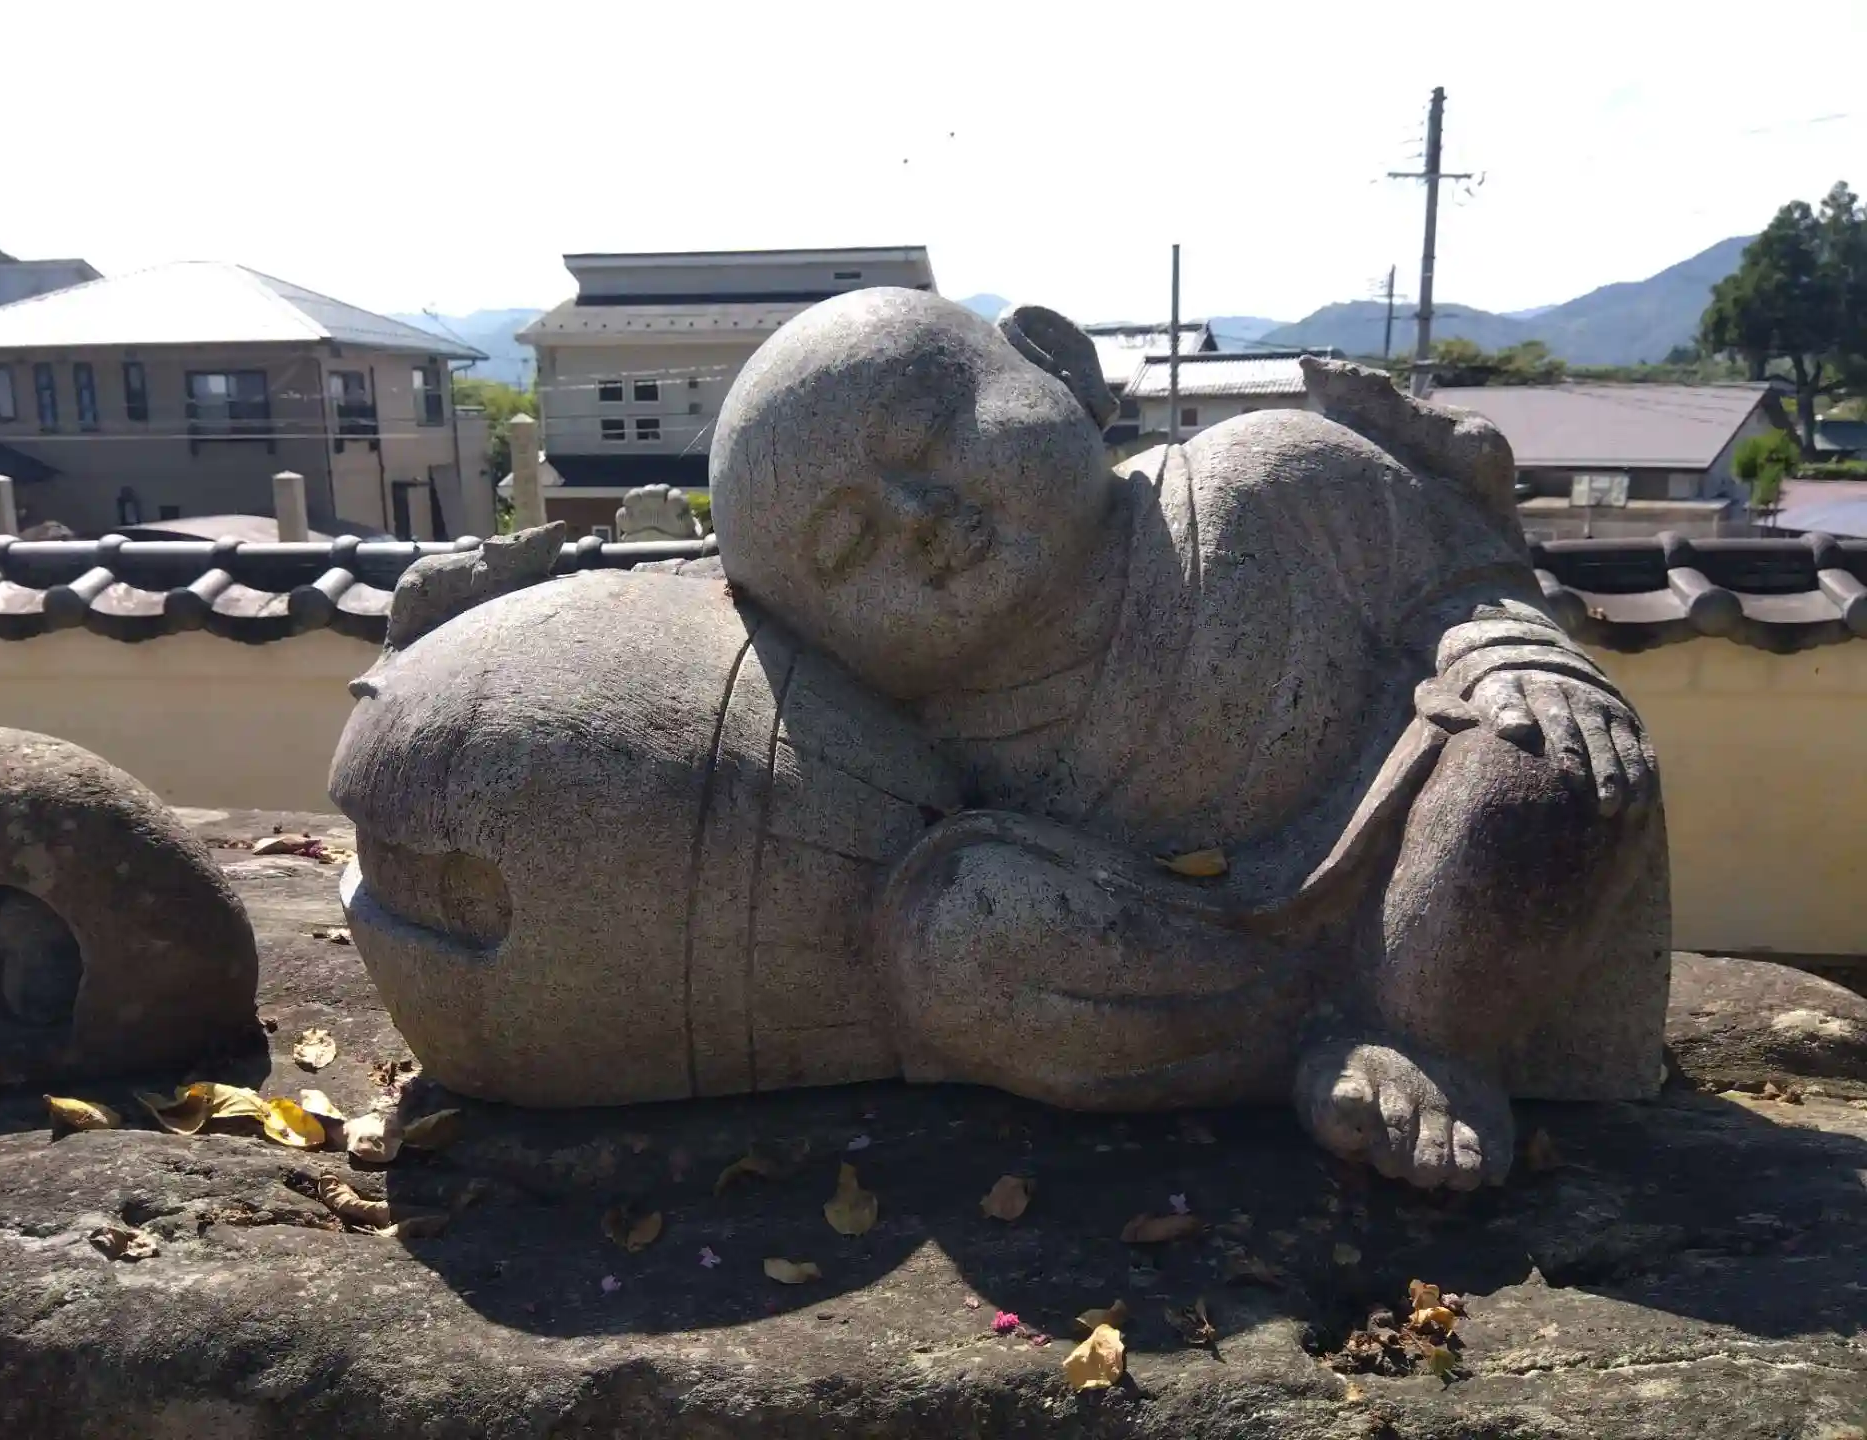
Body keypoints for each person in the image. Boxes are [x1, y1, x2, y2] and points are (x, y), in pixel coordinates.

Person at [711, 289, 1669, 1190]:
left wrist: (1507, 654)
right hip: (1169, 945)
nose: (918, 516)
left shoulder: (1270, 474)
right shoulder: (909, 734)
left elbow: (1459, 589)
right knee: (958, 940)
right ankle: (1326, 1030)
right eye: (850, 546)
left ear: (1057, 363)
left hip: (1408, 840)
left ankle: (1426, 1029)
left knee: (1544, 761)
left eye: (927, 435)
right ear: (825, 641)